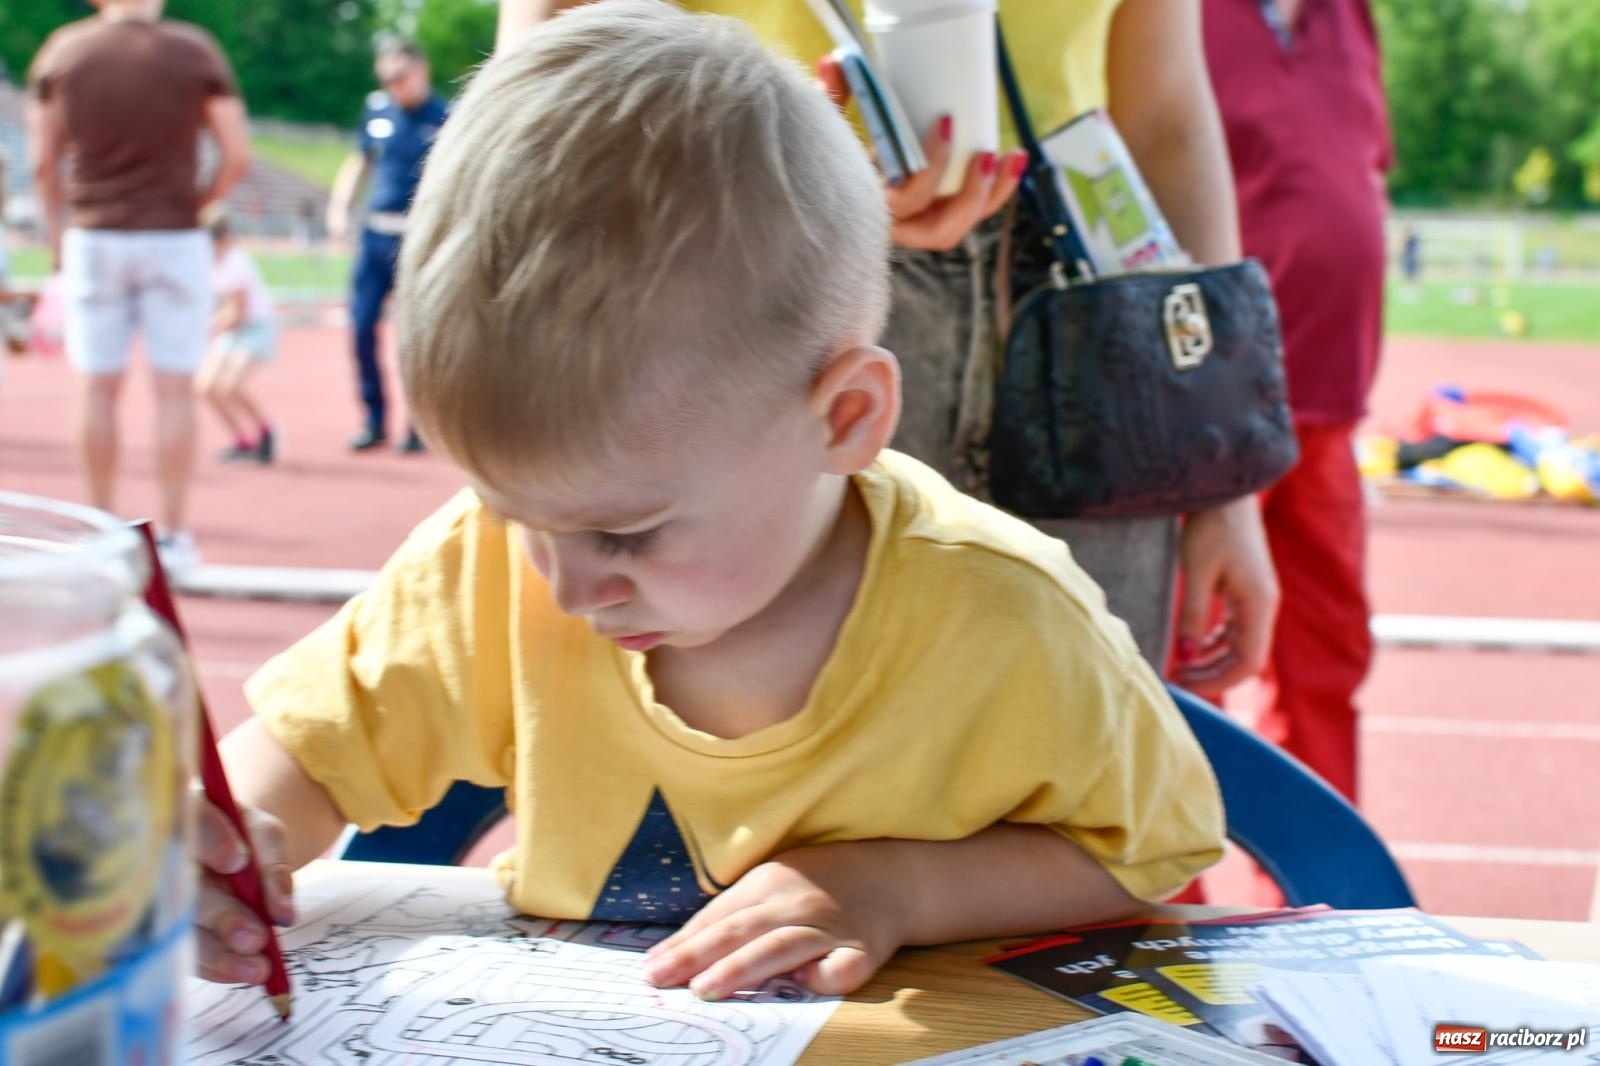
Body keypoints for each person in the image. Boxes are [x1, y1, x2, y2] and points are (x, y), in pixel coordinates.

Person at [194, 1, 1224, 1000]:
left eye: (624, 532)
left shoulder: (1007, 616)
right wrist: (232, 831)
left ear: (846, 416)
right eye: (517, 516)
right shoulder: (485, 566)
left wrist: (898, 885)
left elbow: (1148, 851)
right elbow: (302, 757)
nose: (564, 585)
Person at [497, 0, 1278, 691]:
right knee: (766, 783)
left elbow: (1165, 112)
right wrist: (779, 154)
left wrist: (1224, 484)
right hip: (761, 276)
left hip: (1098, 310)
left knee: (1087, 777)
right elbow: (539, 87)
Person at [1201, 0, 1391, 803]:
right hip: (1204, 421)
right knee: (1190, 671)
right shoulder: (1178, 15)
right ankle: (1174, 906)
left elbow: (1361, 168)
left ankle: (1330, 895)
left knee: (1326, 661)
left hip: (1329, 411)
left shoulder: (1350, 16)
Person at [27, 0, 249, 572]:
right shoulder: (194, 50)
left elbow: (44, 164)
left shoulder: (64, 52)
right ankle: (173, 534)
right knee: (175, 388)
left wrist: (58, 242)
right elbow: (237, 156)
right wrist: (193, 206)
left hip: (96, 236)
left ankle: (101, 531)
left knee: (98, 388)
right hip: (174, 236)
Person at [325, 37, 447, 455]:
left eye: (401, 77)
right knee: (360, 329)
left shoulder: (445, 116)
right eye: (387, 79)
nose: (395, 86)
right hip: (375, 238)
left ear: (421, 70)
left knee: (413, 338)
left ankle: (419, 424)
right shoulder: (377, 109)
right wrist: (339, 207)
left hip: (416, 240)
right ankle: (374, 419)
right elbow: (360, 160)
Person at [196, 213, 278, 464]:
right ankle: (242, 440)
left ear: (222, 240)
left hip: (253, 327)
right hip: (231, 329)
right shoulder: (210, 263)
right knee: (206, 386)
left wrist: (206, 329)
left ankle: (266, 431)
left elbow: (237, 313)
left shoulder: (236, 264)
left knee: (231, 385)